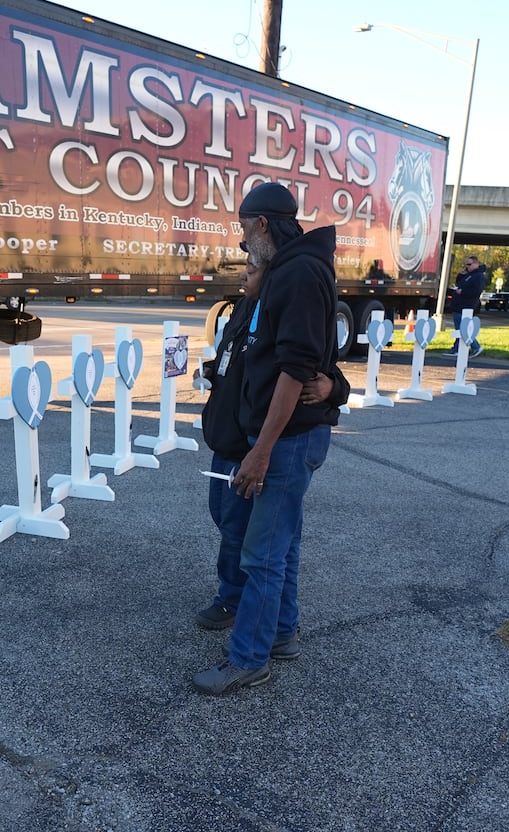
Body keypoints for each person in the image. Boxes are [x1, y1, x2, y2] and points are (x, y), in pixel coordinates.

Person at [192, 182, 338, 696]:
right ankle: (281, 634)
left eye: (242, 228)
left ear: (260, 224)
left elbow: (296, 371)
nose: (242, 242)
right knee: (283, 544)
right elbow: (311, 361)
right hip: (287, 438)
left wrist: (260, 450)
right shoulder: (289, 271)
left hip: (285, 441)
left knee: (262, 555)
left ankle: (249, 659)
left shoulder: (297, 273)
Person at [195, 259, 334, 633]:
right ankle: (276, 626)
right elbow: (234, 363)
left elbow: (312, 372)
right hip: (225, 440)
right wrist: (211, 370)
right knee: (226, 522)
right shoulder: (241, 310)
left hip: (249, 447)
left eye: (252, 269)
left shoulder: (282, 313)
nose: (243, 275)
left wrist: (334, 388)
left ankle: (237, 607)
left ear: (270, 276)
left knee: (255, 544)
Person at [442, 255, 486, 358]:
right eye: (466, 265)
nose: (467, 267)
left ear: (476, 264)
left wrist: (462, 292)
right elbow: (459, 282)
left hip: (466, 306)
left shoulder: (478, 276)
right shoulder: (469, 275)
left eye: (469, 264)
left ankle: (475, 346)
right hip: (459, 305)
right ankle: (457, 348)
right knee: (460, 329)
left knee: (462, 329)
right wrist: (461, 274)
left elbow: (476, 290)